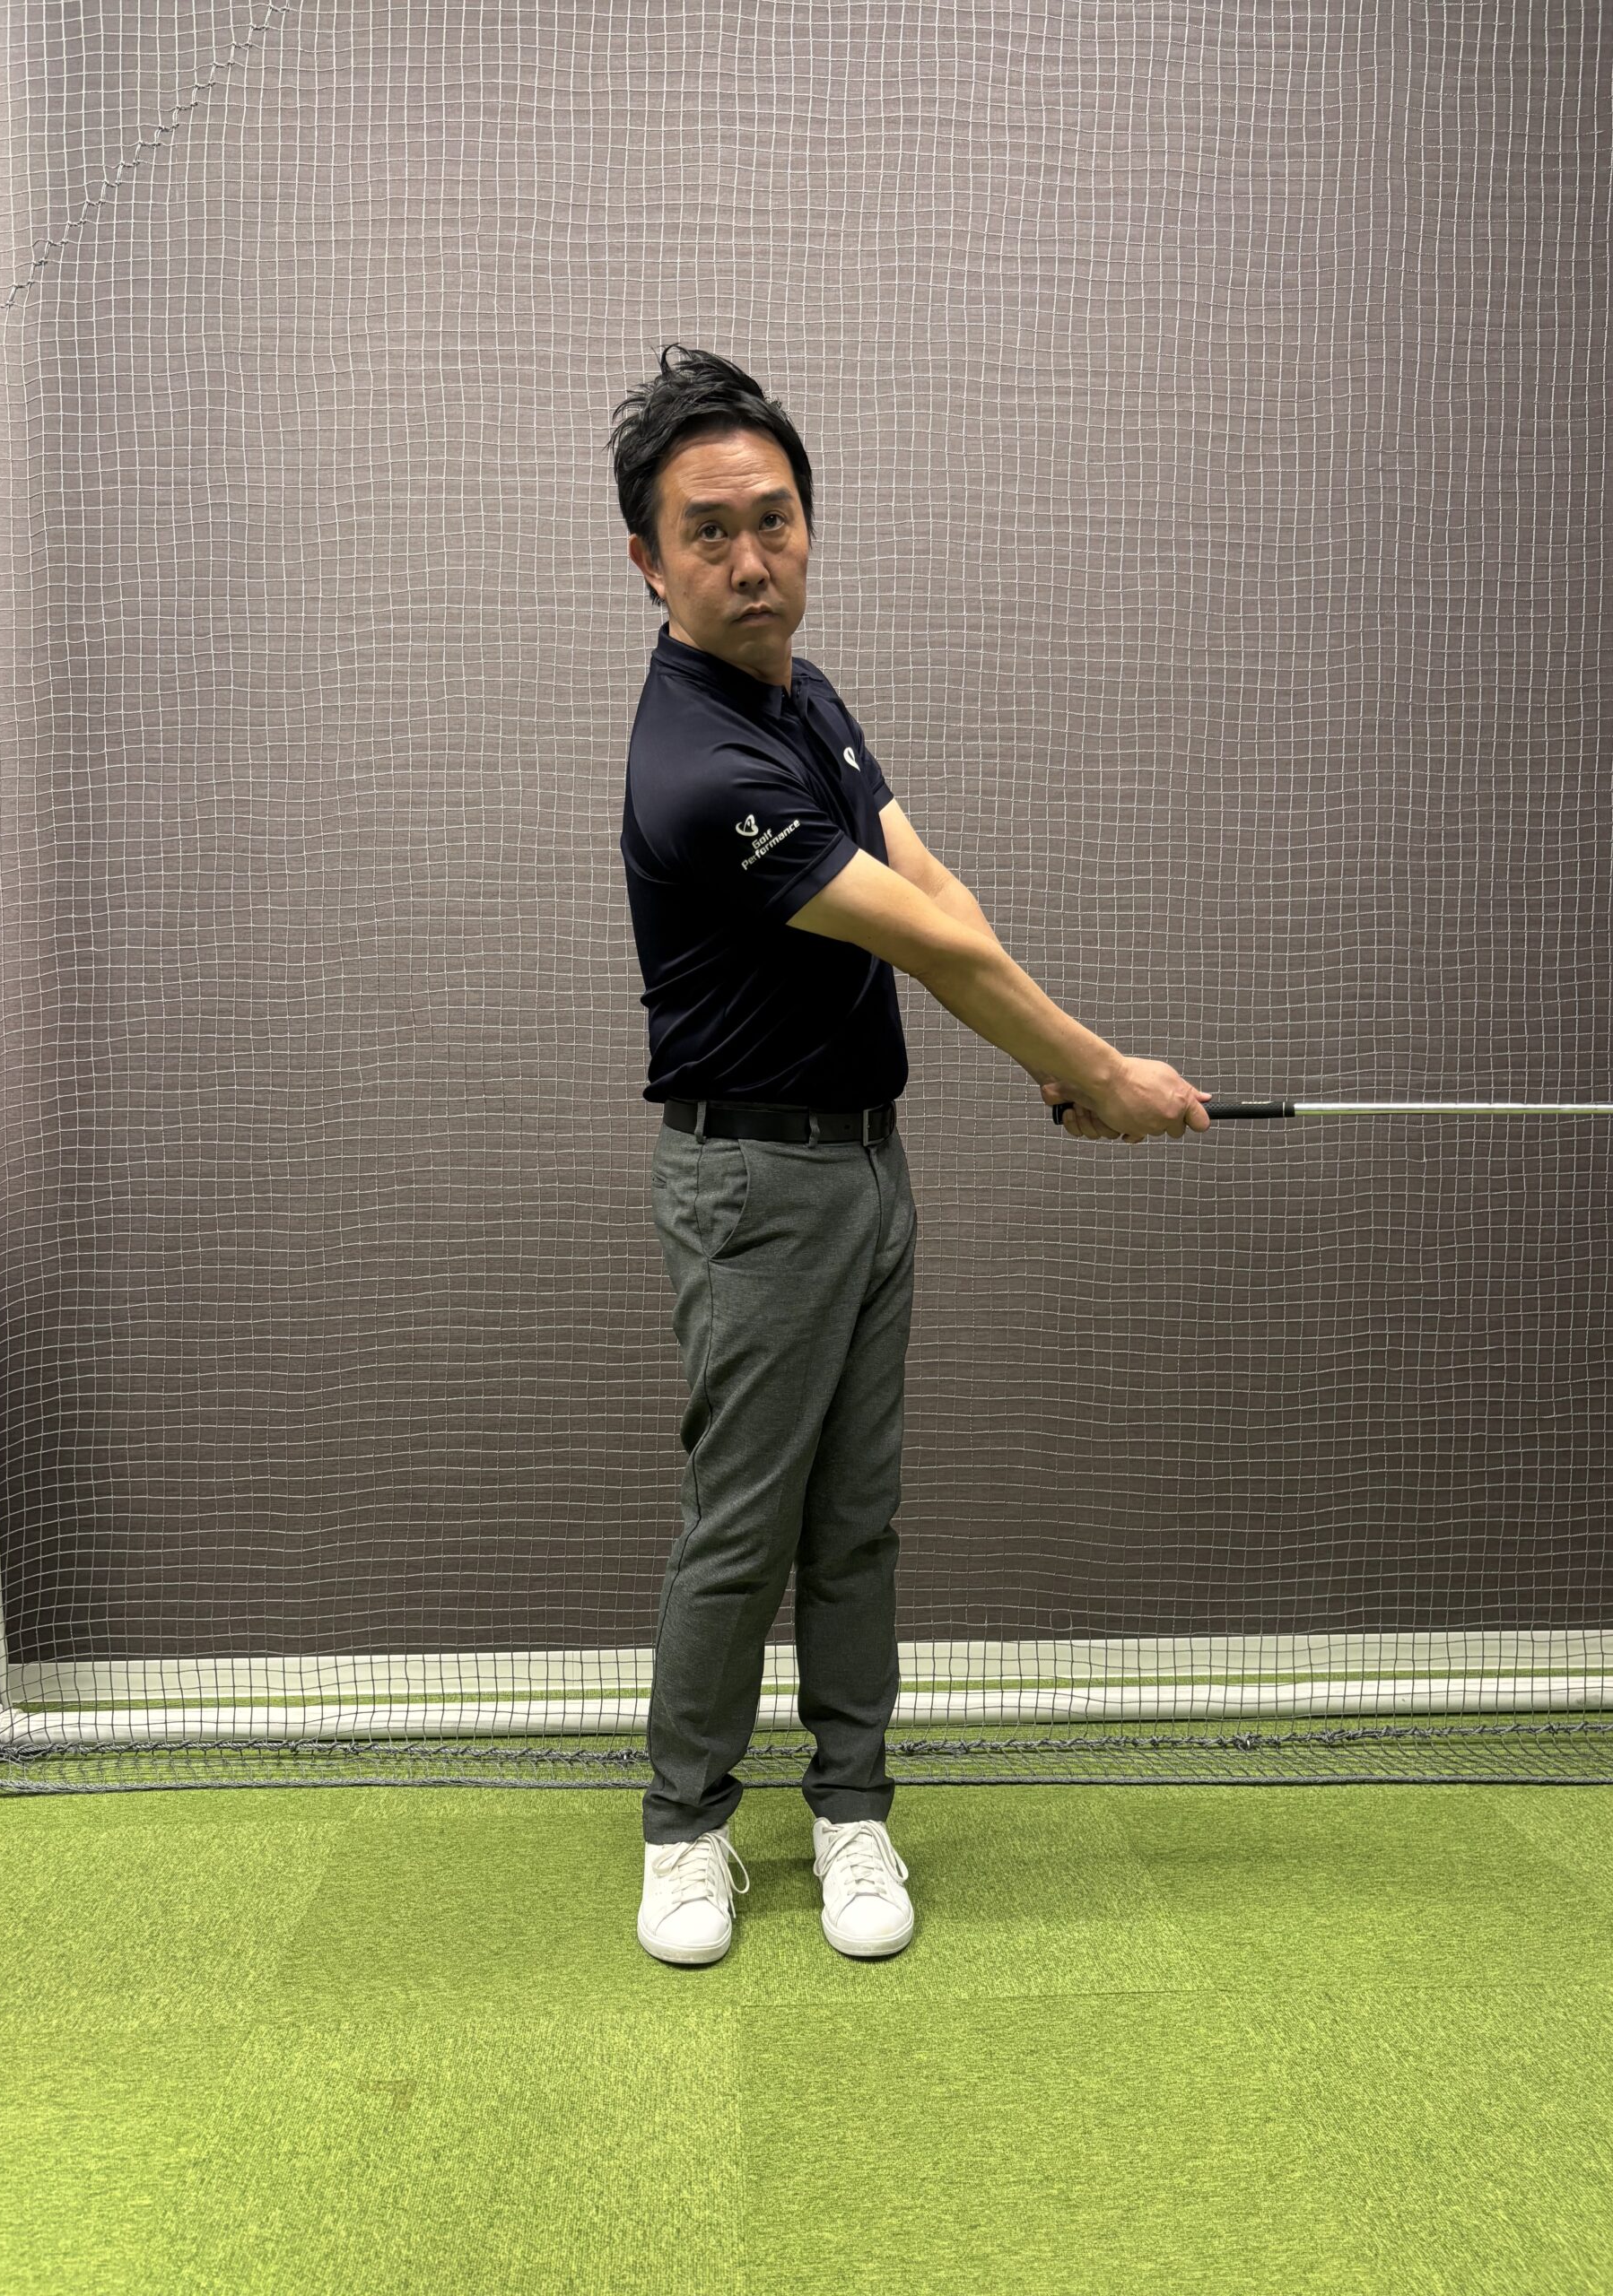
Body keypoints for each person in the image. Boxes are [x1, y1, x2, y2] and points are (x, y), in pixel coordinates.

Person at [608, 345, 1211, 1968]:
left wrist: (1055, 1067)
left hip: (866, 1171)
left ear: (808, 526)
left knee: (859, 1519)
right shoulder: (700, 765)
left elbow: (929, 883)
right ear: (650, 560)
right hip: (754, 1188)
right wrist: (1100, 1073)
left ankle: (851, 1807)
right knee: (745, 1525)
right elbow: (927, 949)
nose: (752, 558)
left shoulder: (799, 695)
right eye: (711, 532)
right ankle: (684, 1832)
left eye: (775, 520)